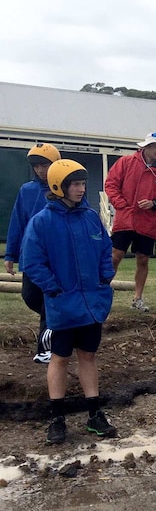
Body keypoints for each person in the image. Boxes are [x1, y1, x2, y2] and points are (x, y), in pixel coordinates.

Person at [20, 159, 117, 444]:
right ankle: (57, 418)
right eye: (74, 184)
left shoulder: (90, 217)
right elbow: (32, 262)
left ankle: (94, 415)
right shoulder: (42, 222)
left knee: (88, 356)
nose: (80, 188)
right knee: (60, 358)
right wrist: (53, 289)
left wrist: (104, 277)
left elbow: (104, 249)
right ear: (58, 187)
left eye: (82, 183)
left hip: (91, 304)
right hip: (62, 305)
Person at [5, 142, 62, 363]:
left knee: (49, 299)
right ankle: (59, 324)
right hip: (31, 254)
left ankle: (45, 349)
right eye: (37, 165)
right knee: (30, 297)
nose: (41, 169)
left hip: (54, 255)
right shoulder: (26, 191)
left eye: (45, 164)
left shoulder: (62, 190)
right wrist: (10, 254)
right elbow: (17, 222)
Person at [105, 132, 156, 312]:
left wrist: (154, 203)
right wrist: (121, 204)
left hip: (147, 222)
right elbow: (111, 184)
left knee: (143, 259)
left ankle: (137, 298)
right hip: (125, 219)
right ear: (146, 147)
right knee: (114, 257)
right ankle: (102, 291)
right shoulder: (126, 162)